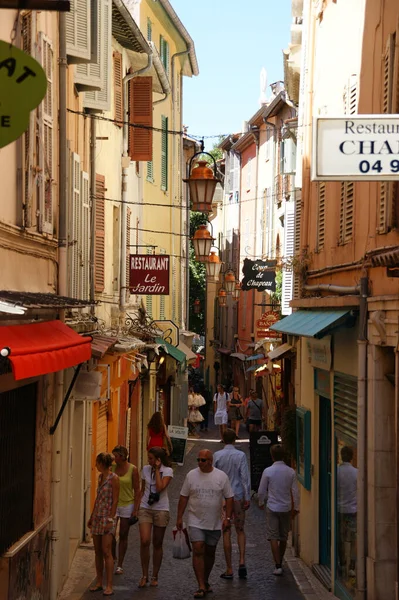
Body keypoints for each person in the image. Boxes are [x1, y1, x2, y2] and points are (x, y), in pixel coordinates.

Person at [176, 449, 234, 599]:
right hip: (195, 520)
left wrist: (227, 518)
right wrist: (179, 517)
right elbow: (183, 497)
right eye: (198, 460)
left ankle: (205, 580)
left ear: (210, 461)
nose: (200, 463)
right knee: (198, 548)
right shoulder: (191, 475)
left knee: (210, 552)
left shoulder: (221, 476)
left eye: (203, 460)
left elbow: (229, 497)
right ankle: (201, 585)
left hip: (214, 522)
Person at [214, 428, 251, 580]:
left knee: (226, 531)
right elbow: (245, 477)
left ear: (223, 438)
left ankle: (229, 568)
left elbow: (214, 476)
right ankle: (242, 561)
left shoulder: (217, 455)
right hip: (238, 496)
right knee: (240, 530)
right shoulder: (240, 455)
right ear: (235, 439)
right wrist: (247, 496)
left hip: (223, 498)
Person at [258, 444, 299, 576]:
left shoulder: (268, 471)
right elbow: (295, 491)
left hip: (272, 506)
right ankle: (280, 560)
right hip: (286, 507)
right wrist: (296, 507)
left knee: (273, 536)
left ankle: (277, 565)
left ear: (272, 456)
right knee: (283, 536)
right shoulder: (291, 472)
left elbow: (261, 490)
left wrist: (260, 501)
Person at [137, 447, 173, 588]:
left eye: (151, 458)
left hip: (161, 509)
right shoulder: (145, 469)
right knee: (145, 541)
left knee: (157, 543)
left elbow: (159, 488)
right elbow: (142, 488)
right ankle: (144, 574)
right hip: (145, 507)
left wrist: (157, 470)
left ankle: (155, 575)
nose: (148, 460)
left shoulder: (168, 471)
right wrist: (137, 506)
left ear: (158, 460)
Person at [88, 452, 120, 596]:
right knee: (98, 551)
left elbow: (115, 500)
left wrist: (111, 520)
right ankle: (99, 582)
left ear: (102, 463)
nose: (95, 465)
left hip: (107, 517)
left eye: (97, 462)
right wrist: (92, 515)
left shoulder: (114, 478)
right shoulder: (100, 477)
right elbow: (98, 498)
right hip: (97, 517)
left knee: (107, 551)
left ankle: (109, 585)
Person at [111, 445, 140, 574]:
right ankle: (112, 557)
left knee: (123, 534)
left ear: (122, 457)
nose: (113, 458)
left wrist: (135, 509)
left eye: (115, 456)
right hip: (113, 504)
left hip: (127, 504)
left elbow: (137, 490)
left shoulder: (133, 469)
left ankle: (120, 564)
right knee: (110, 534)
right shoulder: (112, 468)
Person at [337, 446, 358, 578]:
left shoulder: (337, 472)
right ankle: (352, 567)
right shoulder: (357, 472)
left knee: (340, 537)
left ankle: (342, 563)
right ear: (352, 457)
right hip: (353, 510)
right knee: (353, 539)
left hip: (339, 510)